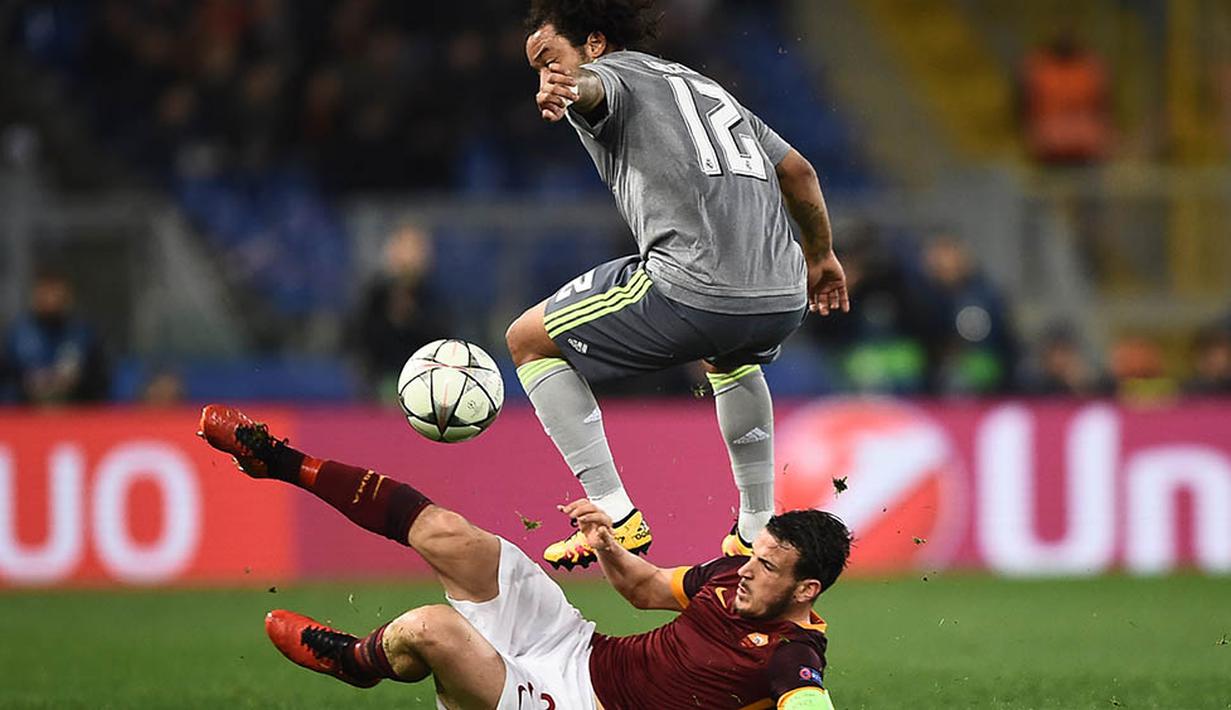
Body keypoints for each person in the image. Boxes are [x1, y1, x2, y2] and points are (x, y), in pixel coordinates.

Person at [198, 403, 850, 710]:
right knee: (450, 535)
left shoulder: (789, 656)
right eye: (754, 555)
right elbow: (647, 589)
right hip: (577, 649)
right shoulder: (730, 574)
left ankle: (358, 662)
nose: (746, 573)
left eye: (766, 569)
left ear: (806, 590)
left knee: (430, 629)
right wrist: (607, 548)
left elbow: (806, 704)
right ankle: (278, 460)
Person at [505, 0, 849, 570]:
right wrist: (823, 257)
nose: (546, 77)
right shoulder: (704, 87)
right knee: (732, 359)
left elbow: (594, 89)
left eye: (550, 60)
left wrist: (571, 88)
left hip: (696, 288)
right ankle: (758, 526)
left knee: (527, 339)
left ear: (593, 43)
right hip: (784, 294)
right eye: (537, 70)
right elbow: (799, 171)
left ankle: (614, 515)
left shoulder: (609, 77)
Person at [0, 268, 110, 405]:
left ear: (67, 294)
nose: (50, 298)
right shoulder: (17, 335)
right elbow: (6, 381)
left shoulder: (83, 333)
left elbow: (101, 383)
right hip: (26, 412)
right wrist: (28, 383)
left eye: (55, 291)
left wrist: (74, 382)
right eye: (45, 291)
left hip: (75, 412)